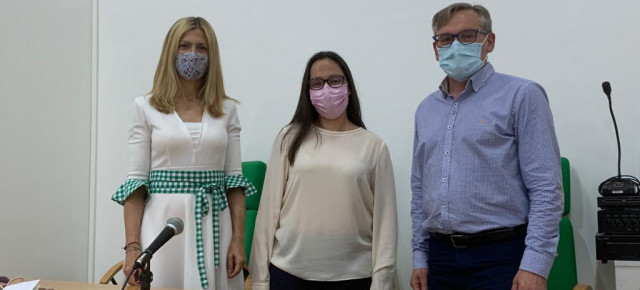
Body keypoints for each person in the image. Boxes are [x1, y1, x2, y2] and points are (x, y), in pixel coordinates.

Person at [410, 3, 563, 290]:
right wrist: (420, 256)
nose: (455, 45)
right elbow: (420, 190)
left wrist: (535, 266)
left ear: (489, 41)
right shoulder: (425, 110)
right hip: (440, 257)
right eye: (445, 39)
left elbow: (545, 187)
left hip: (502, 256)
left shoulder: (522, 95)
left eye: (467, 36)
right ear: (435, 48)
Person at [111, 17, 256, 290]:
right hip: (164, 228)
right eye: (184, 46)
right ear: (171, 52)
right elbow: (136, 183)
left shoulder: (227, 109)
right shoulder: (145, 107)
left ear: (212, 55)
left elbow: (234, 181)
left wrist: (238, 240)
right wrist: (132, 248)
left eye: (202, 48)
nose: (193, 54)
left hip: (215, 223)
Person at [249, 51, 398, 290]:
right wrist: (259, 279)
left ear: (348, 87)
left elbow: (386, 224)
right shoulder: (289, 138)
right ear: (308, 92)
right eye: (316, 83)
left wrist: (382, 281)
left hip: (354, 276)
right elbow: (268, 213)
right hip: (288, 273)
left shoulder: (373, 146)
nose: (326, 89)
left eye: (335, 81)